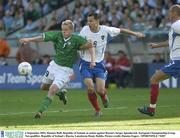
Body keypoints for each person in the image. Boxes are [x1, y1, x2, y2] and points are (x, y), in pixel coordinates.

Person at [19, 20, 95, 118]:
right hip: (54, 66)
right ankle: (61, 93)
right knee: (43, 87)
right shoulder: (57, 36)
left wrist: (92, 60)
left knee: (52, 89)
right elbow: (43, 37)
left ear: (71, 30)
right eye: (62, 29)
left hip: (65, 71)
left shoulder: (77, 39)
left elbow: (90, 46)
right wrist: (29, 40)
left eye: (66, 30)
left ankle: (40, 112)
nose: (64, 32)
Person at [78, 12, 145, 117]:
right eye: (88, 21)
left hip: (99, 63)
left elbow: (121, 30)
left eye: (91, 21)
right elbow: (78, 46)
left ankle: (104, 96)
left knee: (100, 90)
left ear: (97, 21)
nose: (89, 23)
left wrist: (135, 34)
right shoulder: (84, 30)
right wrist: (86, 46)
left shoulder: (106, 30)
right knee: (90, 88)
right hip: (85, 63)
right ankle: (97, 110)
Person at [138, 4, 180, 117]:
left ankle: (151, 109)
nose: (168, 14)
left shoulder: (177, 24)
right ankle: (151, 109)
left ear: (175, 13)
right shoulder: (174, 26)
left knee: (154, 79)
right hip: (176, 61)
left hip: (178, 61)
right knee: (155, 79)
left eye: (170, 12)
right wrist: (157, 45)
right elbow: (170, 42)